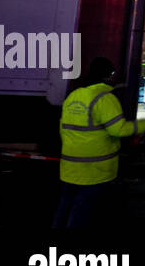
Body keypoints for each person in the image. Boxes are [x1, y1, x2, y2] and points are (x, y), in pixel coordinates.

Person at [55, 57, 139, 228]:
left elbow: (63, 129)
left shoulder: (74, 95)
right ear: (108, 75)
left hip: (69, 167)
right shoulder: (105, 98)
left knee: (65, 205)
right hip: (94, 170)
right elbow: (119, 130)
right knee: (83, 211)